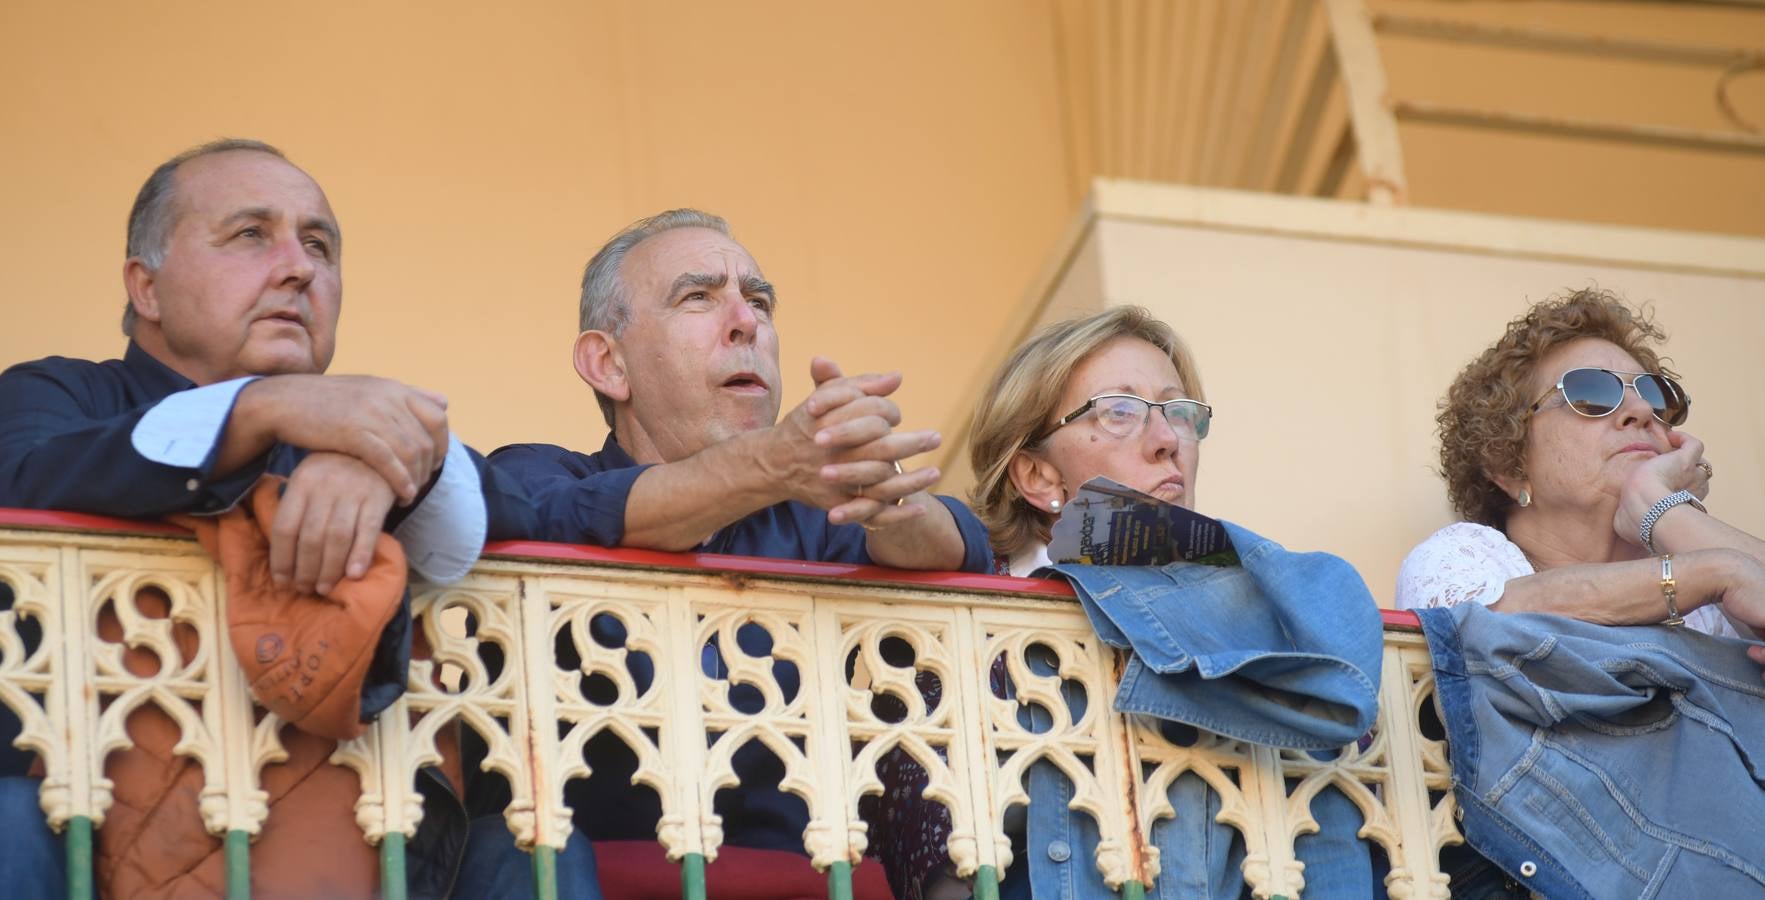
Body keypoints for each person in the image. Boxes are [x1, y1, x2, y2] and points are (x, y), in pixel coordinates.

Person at [0, 139, 594, 898]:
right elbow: (16, 484)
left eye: (318, 245)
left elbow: (538, 512)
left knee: (539, 845)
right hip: (91, 842)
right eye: (250, 234)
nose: (298, 267)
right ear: (145, 288)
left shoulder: (370, 427)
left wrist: (373, 463)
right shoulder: (58, 393)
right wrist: (259, 409)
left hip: (361, 849)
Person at [487, 208, 993, 894]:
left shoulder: (816, 509)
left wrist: (878, 493)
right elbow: (557, 519)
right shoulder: (534, 473)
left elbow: (964, 553)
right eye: (698, 297)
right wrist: (773, 464)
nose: (745, 321)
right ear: (608, 363)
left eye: (757, 300)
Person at [871, 306, 1379, 899]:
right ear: (1037, 476)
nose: (1168, 442)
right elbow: (944, 865)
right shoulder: (974, 622)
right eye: (1120, 413)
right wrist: (884, 502)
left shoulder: (1270, 597)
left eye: (1180, 413)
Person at [1396, 287, 1765, 657]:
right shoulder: (1463, 559)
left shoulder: (1708, 611)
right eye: (1592, 393)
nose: (1641, 409)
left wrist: (1663, 509)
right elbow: (1481, 623)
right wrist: (1717, 573)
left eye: (1655, 395)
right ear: (1508, 463)